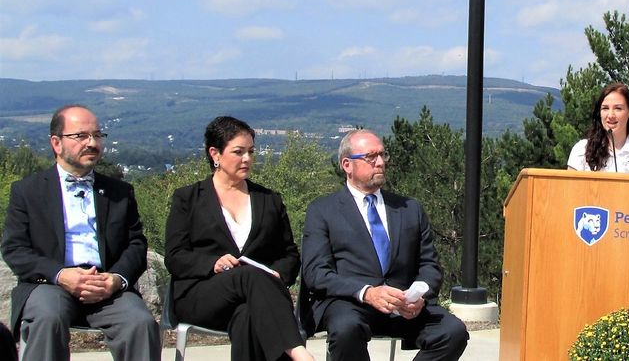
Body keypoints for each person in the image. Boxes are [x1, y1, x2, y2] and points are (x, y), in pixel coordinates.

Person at [1, 104, 160, 360]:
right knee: (47, 318)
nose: (92, 142)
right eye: (81, 136)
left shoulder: (119, 192)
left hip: (105, 285)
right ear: (56, 143)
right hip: (50, 284)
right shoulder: (28, 191)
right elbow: (15, 249)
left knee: (140, 323)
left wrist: (116, 279)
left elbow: (136, 244)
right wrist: (61, 275)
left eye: (97, 135)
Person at [300, 129, 469, 361]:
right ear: (347, 165)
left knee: (453, 332)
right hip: (351, 303)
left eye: (382, 155)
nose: (380, 163)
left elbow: (430, 264)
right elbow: (316, 273)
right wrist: (367, 293)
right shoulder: (323, 210)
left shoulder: (409, 209)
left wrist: (418, 294)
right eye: (371, 157)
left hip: (404, 306)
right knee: (346, 329)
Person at [164, 116, 312, 361]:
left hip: (257, 299)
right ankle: (298, 352)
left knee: (247, 316)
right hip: (202, 294)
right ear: (215, 154)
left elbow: (289, 255)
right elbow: (175, 257)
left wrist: (278, 274)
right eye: (238, 152)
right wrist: (213, 263)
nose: (247, 159)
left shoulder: (269, 200)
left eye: (251, 152)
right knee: (249, 274)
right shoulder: (188, 199)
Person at [567, 83, 629, 174]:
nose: (610, 115)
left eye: (618, 108)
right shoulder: (581, 149)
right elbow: (569, 188)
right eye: (605, 108)